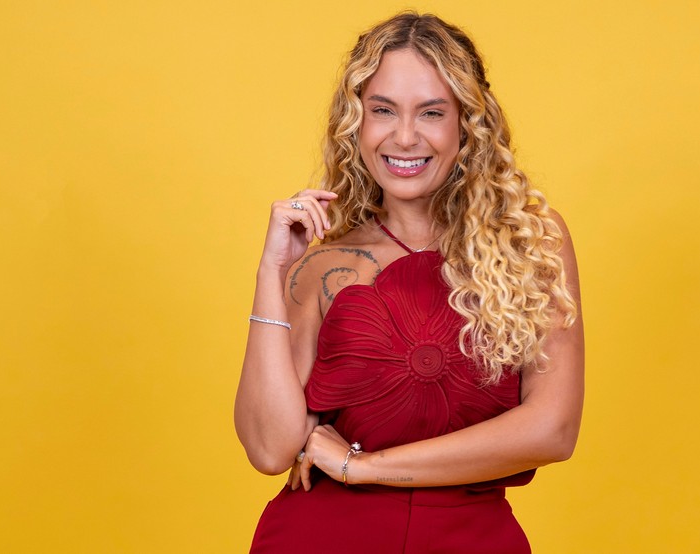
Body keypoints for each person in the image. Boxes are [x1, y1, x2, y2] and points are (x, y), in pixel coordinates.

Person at [234, 12, 584, 553]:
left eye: (431, 112)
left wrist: (364, 466)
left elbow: (551, 431)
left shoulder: (530, 241)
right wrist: (272, 270)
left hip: (470, 540)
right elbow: (269, 449)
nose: (403, 137)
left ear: (468, 124)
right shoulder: (325, 267)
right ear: (356, 122)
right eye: (382, 110)